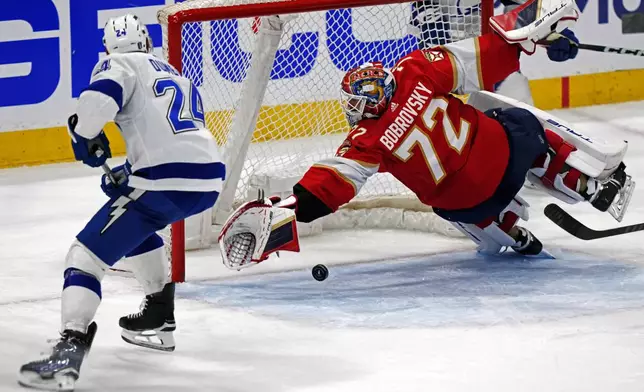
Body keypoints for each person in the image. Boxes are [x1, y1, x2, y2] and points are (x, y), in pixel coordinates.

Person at [217, 0, 634, 269]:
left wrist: (285, 209)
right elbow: (484, 58)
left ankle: (509, 230)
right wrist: (534, 43)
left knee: (447, 201)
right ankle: (582, 182)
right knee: (521, 124)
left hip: (464, 205)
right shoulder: (414, 71)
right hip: (501, 159)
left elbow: (328, 189)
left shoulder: (366, 139)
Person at [18, 14, 224, 391]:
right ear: (147, 42)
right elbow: (169, 136)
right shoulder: (176, 74)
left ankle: (69, 350)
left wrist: (83, 135)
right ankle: (159, 316)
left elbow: (98, 102)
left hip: (164, 180)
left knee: (84, 256)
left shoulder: (118, 63)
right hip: (209, 178)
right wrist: (128, 172)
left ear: (108, 47)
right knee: (139, 219)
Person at [410, 0, 580, 105]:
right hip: (451, 72)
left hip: (496, 64)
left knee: (529, 129)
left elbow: (526, 11)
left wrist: (552, 33)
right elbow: (430, 37)